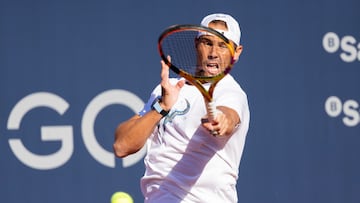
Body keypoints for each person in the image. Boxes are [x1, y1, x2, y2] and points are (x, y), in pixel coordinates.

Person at [114, 13, 250, 203]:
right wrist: (161, 107)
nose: (213, 53)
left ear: (237, 52)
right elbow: (122, 146)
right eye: (207, 43)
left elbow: (230, 116)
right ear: (196, 45)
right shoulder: (168, 89)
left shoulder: (231, 93)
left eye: (222, 45)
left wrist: (221, 121)